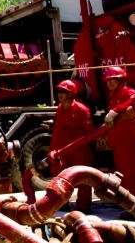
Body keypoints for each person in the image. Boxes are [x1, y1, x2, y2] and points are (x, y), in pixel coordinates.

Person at [103, 66, 135, 203]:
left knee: (132, 175)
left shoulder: (129, 92)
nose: (109, 83)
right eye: (108, 80)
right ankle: (128, 205)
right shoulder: (113, 95)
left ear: (122, 80)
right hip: (119, 143)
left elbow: (134, 101)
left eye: (113, 80)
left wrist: (116, 110)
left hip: (129, 142)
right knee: (123, 176)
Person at [50, 79, 95, 212]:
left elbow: (90, 132)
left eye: (63, 91)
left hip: (78, 150)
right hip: (62, 150)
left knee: (82, 178)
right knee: (61, 176)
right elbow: (57, 130)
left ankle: (83, 207)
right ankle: (63, 203)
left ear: (71, 94)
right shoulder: (60, 108)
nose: (60, 94)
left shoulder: (82, 110)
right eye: (59, 91)